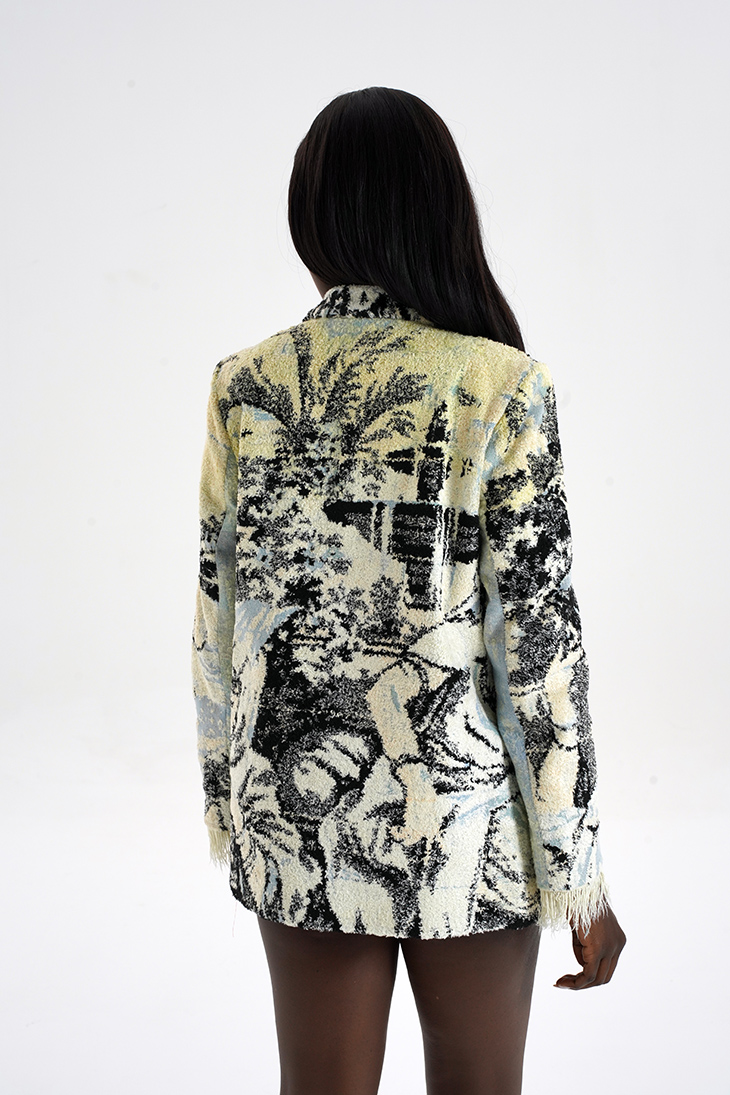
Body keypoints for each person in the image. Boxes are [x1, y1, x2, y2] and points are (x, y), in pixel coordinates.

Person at [192, 86, 626, 1095]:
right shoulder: (500, 386)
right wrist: (579, 873)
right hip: (466, 822)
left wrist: (231, 808)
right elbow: (540, 650)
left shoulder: (245, 386)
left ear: (310, 216)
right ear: (440, 212)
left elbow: (218, 621)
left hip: (295, 812)